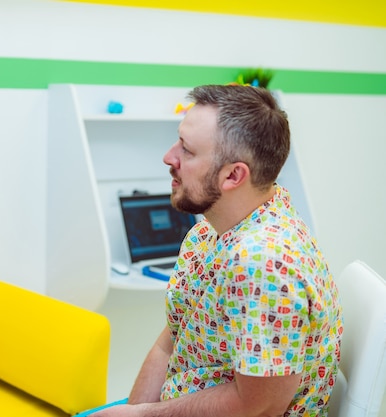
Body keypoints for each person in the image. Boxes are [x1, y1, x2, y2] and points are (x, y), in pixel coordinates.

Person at [92, 85, 343, 416]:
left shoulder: (265, 263)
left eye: (187, 150)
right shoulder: (209, 231)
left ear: (234, 175)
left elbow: (259, 406)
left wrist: (140, 415)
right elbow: (171, 342)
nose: (169, 158)